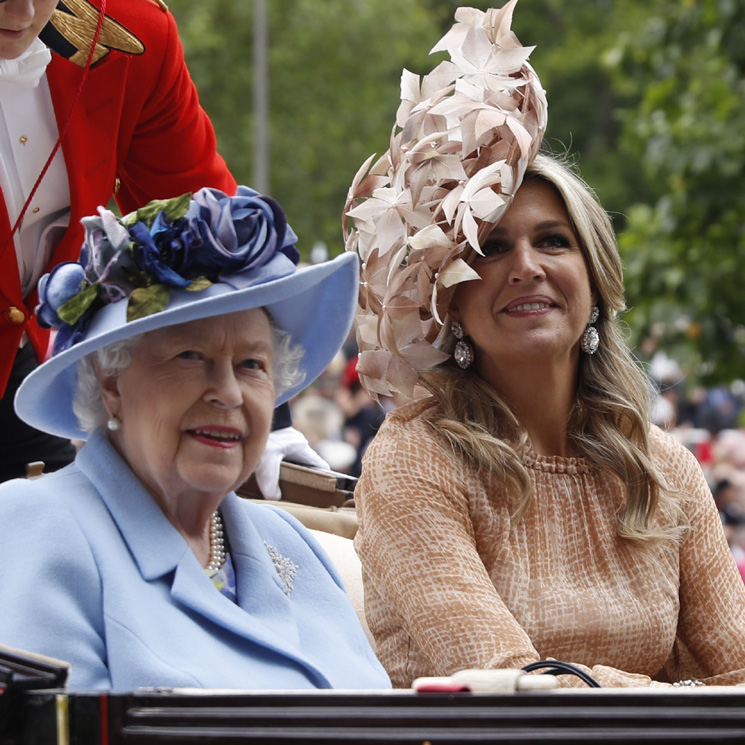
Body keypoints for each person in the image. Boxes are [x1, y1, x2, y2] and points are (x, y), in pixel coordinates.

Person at [344, 3, 745, 689]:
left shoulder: (661, 467)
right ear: (455, 305)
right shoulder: (412, 462)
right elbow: (513, 687)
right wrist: (676, 701)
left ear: (594, 280)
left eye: (552, 241)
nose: (524, 265)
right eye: (492, 247)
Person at [0, 187, 391, 691]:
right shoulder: (37, 523)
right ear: (111, 383)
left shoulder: (289, 542)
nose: (228, 393)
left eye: (251, 364)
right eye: (189, 356)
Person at [0, 0, 236, 480]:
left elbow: (201, 232)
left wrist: (267, 418)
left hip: (22, 365)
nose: (24, 10)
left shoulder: (135, 33)